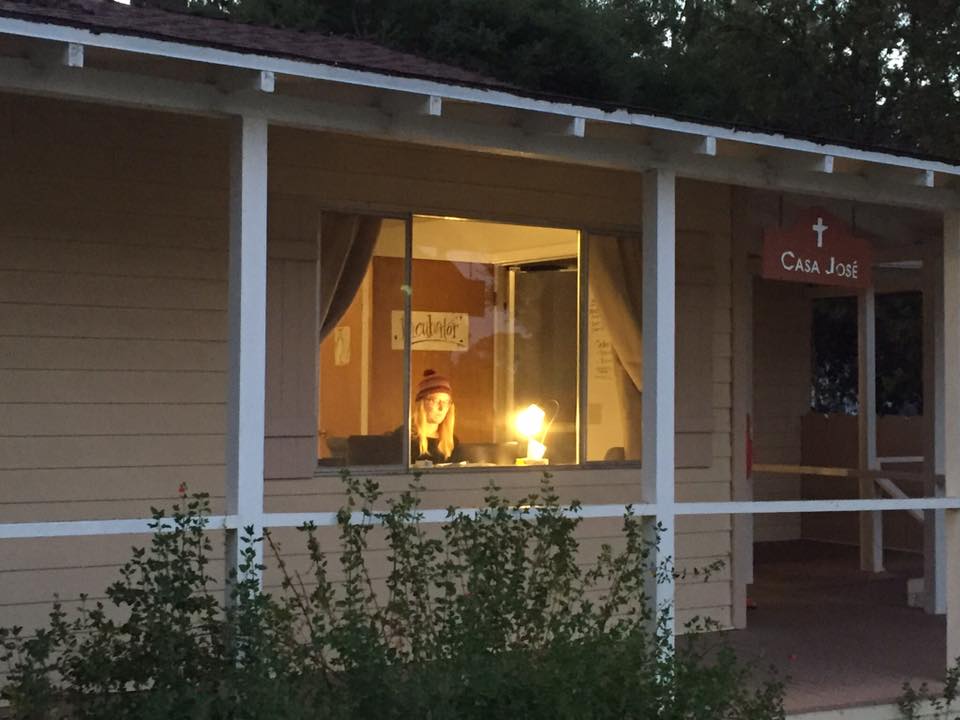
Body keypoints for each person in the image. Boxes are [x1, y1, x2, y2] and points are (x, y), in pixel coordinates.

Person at [411, 369, 462, 464]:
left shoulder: (452, 442)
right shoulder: (407, 439)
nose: (441, 408)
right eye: (435, 401)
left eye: (446, 402)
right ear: (422, 403)